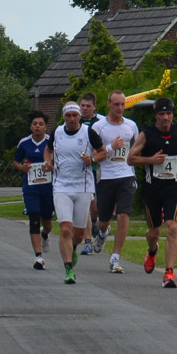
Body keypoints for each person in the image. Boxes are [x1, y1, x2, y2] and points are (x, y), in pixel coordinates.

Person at [128, 97, 177, 288]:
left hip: (174, 188)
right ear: (156, 116)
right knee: (154, 232)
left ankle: (169, 273)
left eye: (168, 114)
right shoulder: (146, 134)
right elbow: (131, 159)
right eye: (161, 114)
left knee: (172, 227)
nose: (165, 118)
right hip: (153, 189)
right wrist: (150, 160)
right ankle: (152, 251)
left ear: (172, 115)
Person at [50, 101, 105, 284]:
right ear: (64, 117)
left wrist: (92, 159)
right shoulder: (57, 132)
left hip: (83, 187)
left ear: (79, 116)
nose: (72, 119)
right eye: (68, 116)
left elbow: (103, 152)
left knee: (79, 234)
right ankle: (68, 269)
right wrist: (48, 162)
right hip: (61, 186)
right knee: (65, 228)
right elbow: (48, 150)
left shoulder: (88, 133)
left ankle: (72, 247)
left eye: (75, 115)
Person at [90, 91, 138, 274]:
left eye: (122, 104)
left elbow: (136, 148)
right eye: (116, 104)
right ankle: (103, 233)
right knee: (104, 220)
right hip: (106, 177)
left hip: (126, 175)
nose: (120, 108)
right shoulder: (99, 127)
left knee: (124, 215)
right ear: (109, 104)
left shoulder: (131, 126)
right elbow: (94, 154)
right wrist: (111, 147)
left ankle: (115, 257)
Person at [13, 111, 54, 270]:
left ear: (45, 127)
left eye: (41, 124)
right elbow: (16, 161)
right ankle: (38, 257)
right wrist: (21, 167)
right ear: (31, 126)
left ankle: (45, 234)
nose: (37, 127)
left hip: (48, 187)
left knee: (48, 223)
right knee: (34, 218)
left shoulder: (51, 142)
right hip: (31, 187)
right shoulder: (24, 143)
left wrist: (51, 166)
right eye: (35, 124)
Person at [78, 92, 103, 256]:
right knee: (86, 204)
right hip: (80, 170)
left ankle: (95, 222)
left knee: (95, 208)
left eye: (88, 106)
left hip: (97, 168)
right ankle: (87, 242)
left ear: (94, 107)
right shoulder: (74, 120)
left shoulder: (101, 122)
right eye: (83, 106)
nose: (85, 109)